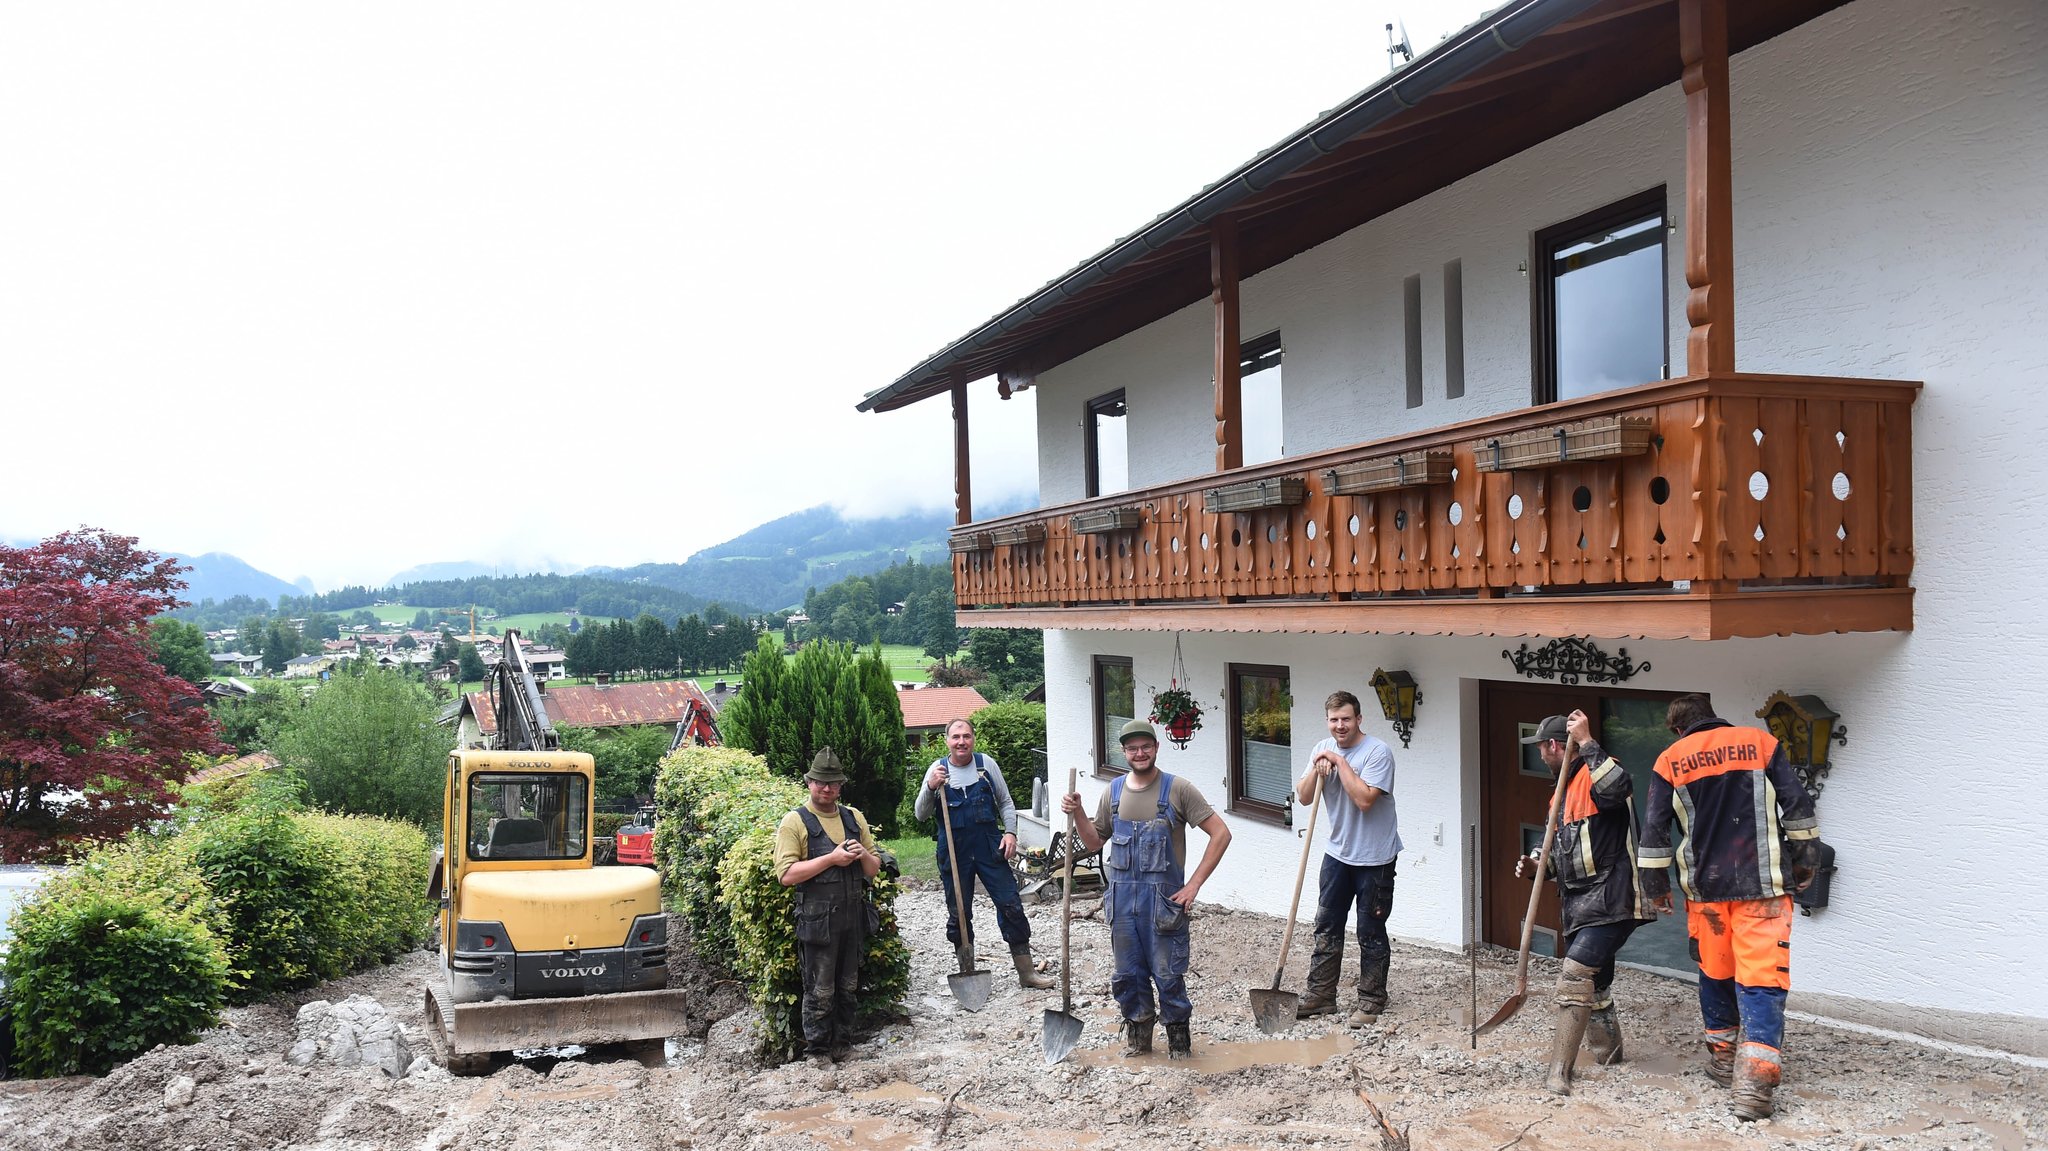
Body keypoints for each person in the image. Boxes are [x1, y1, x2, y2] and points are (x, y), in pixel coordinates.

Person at [1638, 694, 1821, 1121]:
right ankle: (1754, 1088)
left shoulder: (1671, 759)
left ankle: (1723, 1061)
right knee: (1762, 981)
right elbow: (1797, 806)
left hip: (1707, 893)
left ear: (1678, 728)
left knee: (1715, 974)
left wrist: (1655, 886)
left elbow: (1654, 828)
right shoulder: (1760, 742)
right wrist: (1805, 860)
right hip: (1764, 889)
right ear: (1714, 717)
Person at [1061, 718, 1232, 1059]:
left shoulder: (1179, 789)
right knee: (1127, 975)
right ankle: (1139, 1040)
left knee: (1168, 976)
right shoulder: (1113, 791)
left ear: (1156, 748)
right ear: (1124, 752)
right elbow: (1095, 842)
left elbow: (1221, 834)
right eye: (1132, 748)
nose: (1139, 753)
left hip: (1164, 904)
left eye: (1145, 747)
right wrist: (1078, 812)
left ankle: (1179, 1046)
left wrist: (1194, 885)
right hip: (1123, 903)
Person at [1513, 709, 1654, 1095]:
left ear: (1555, 746)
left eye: (1542, 747)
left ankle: (1559, 1072)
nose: (1540, 755)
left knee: (1575, 976)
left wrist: (1589, 741)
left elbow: (1618, 788)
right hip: (1579, 903)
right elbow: (1562, 856)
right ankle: (1610, 1053)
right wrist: (1535, 865)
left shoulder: (1598, 774)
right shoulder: (1560, 794)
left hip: (1612, 896)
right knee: (1598, 982)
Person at [913, 717, 1053, 989]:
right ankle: (968, 972)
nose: (961, 741)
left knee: (1011, 904)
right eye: (956, 737)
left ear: (972, 739)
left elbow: (1005, 801)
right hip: (954, 850)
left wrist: (1010, 833)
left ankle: (1026, 973)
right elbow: (920, 814)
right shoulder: (937, 770)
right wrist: (930, 786)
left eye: (966, 736)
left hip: (990, 848)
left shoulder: (985, 766)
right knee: (959, 913)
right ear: (947, 741)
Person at [1293, 690, 1402, 1027]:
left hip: (1375, 858)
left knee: (1370, 929)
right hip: (1338, 854)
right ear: (1328, 721)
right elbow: (1305, 797)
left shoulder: (1377, 752)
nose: (1340, 726)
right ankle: (1322, 994)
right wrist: (1317, 768)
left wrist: (1339, 762)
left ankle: (1371, 1000)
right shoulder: (1319, 749)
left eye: (1346, 719)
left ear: (1359, 719)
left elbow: (1365, 799)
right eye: (1333, 720)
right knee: (1326, 925)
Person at [774, 747, 881, 1067]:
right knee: (819, 990)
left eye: (833, 783)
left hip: (851, 917)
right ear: (809, 782)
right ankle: (817, 1052)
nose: (827, 788)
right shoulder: (795, 822)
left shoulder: (853, 817)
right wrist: (831, 859)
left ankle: (842, 1045)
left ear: (841, 786)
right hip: (817, 921)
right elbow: (787, 875)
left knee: (848, 986)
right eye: (820, 782)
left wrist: (862, 854)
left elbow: (873, 870)